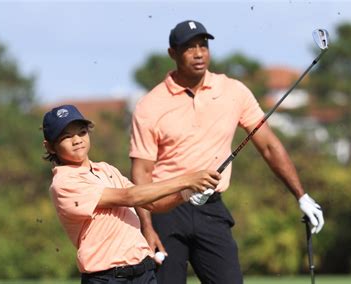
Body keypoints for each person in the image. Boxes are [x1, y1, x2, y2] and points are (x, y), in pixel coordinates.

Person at [129, 20, 325, 284]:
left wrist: (300, 195)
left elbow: (268, 145)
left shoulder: (233, 91)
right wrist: (147, 225)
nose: (199, 53)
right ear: (172, 54)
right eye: (189, 47)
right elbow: (141, 172)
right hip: (166, 212)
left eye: (203, 45)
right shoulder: (150, 105)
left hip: (211, 210)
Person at [42, 104, 221, 284]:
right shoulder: (64, 183)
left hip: (143, 272)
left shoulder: (106, 169)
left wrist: (186, 193)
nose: (77, 140)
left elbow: (151, 204)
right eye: (66, 136)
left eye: (81, 132)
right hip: (106, 278)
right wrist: (187, 180)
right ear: (49, 147)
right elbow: (130, 197)